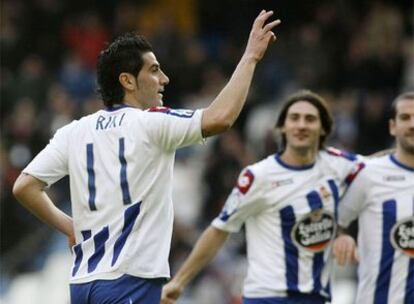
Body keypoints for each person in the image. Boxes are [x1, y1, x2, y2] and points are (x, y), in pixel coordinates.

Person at [12, 10, 281, 304]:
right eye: (154, 70)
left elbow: (24, 186)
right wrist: (251, 57)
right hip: (129, 283)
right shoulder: (151, 123)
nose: (164, 79)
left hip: (82, 285)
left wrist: (70, 226)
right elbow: (221, 118)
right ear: (127, 81)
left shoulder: (74, 131)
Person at [161, 90, 363, 304]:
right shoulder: (259, 176)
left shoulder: (337, 164)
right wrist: (179, 282)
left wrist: (342, 230)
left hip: (316, 298)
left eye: (310, 119)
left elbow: (378, 169)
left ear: (323, 128)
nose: (301, 125)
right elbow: (220, 229)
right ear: (282, 127)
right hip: (268, 298)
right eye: (294, 118)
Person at [333, 92, 414, 304]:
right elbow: (334, 219)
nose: (412, 124)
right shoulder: (370, 173)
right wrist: (342, 236)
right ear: (392, 126)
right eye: (405, 118)